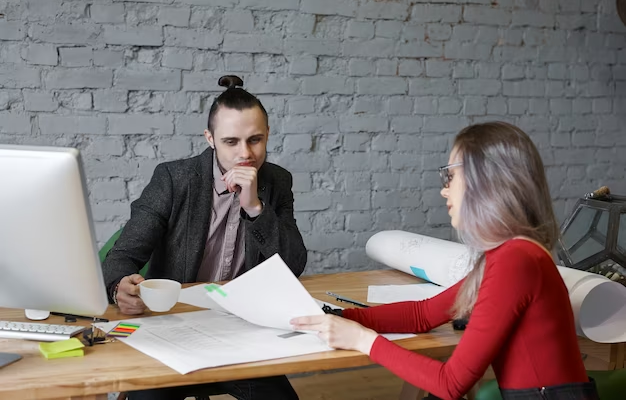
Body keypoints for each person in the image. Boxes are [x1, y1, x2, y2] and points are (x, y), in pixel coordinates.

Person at [292, 121, 600, 400]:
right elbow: (422, 315)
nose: (443, 189)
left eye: (450, 176)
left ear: (486, 182)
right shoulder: (508, 255)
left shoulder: (516, 261)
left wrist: (364, 341)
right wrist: (343, 319)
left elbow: (451, 383)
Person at [102, 75, 306, 400]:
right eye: (231, 141)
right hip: (173, 326)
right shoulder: (173, 179)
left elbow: (294, 265)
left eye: (255, 140)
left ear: (267, 136)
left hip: (240, 329)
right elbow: (123, 254)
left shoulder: (277, 182)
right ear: (210, 138)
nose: (245, 154)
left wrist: (254, 207)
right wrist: (118, 287)